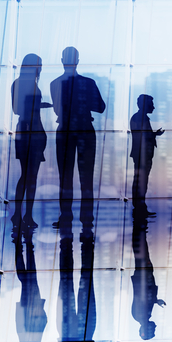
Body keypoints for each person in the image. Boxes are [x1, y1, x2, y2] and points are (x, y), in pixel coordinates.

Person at [50, 47, 106, 227]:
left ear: (61, 60)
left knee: (65, 176)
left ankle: (66, 216)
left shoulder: (55, 83)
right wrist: (83, 101)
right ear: (78, 60)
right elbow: (101, 107)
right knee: (86, 176)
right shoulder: (88, 83)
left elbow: (58, 109)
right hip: (84, 129)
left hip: (65, 129)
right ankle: (87, 217)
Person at [11, 53, 51, 228]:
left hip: (30, 130)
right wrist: (36, 105)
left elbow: (21, 108)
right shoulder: (23, 84)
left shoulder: (21, 83)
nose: (40, 68)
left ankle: (22, 214)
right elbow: (18, 108)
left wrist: (40, 105)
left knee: (28, 176)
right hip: (29, 131)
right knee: (29, 176)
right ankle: (23, 214)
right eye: (39, 65)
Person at [129, 94, 164, 217]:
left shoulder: (139, 117)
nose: (153, 107)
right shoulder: (140, 118)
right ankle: (139, 207)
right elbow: (142, 136)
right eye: (151, 104)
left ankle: (139, 206)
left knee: (141, 180)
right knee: (141, 181)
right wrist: (155, 135)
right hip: (142, 154)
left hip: (142, 154)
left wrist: (154, 134)